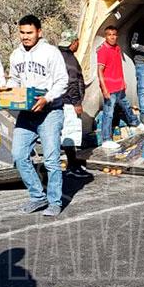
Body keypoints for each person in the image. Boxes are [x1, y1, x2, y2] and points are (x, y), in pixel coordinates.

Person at [8, 15, 69, 217]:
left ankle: (54, 201)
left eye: (29, 33)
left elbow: (62, 81)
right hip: (27, 113)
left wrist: (47, 98)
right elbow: (15, 81)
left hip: (50, 112)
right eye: (22, 33)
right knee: (18, 155)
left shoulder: (50, 53)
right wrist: (6, 94)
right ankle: (37, 196)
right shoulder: (15, 55)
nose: (25, 37)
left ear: (39, 32)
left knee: (51, 159)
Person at [98, 25, 142, 146]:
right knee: (108, 113)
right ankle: (106, 139)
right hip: (110, 88)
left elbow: (118, 67)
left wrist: (123, 81)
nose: (112, 37)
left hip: (119, 85)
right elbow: (100, 71)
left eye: (114, 35)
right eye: (109, 35)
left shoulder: (117, 48)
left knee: (126, 106)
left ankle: (135, 123)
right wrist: (104, 89)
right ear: (105, 36)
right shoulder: (102, 50)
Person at [57, 30, 90, 178]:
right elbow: (72, 82)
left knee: (63, 133)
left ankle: (70, 164)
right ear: (73, 43)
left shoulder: (58, 56)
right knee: (70, 134)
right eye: (77, 42)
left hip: (60, 100)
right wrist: (76, 102)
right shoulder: (69, 60)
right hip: (68, 102)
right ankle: (72, 167)